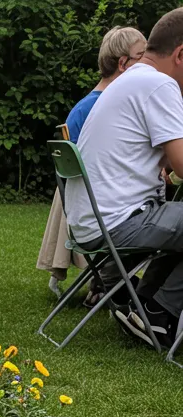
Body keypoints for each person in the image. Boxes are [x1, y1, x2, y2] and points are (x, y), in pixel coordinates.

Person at [65, 8, 183, 348]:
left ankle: (143, 308)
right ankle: (160, 314)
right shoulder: (158, 84)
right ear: (181, 54)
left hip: (91, 222)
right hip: (115, 223)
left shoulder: (132, 80)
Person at [37, 26, 146, 297]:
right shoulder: (101, 107)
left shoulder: (91, 103)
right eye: (142, 56)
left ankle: (110, 283)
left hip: (84, 206)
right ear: (123, 63)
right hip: (98, 209)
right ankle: (113, 282)